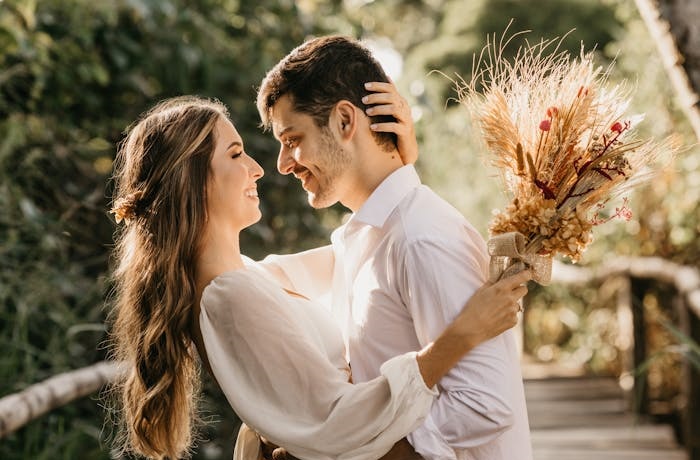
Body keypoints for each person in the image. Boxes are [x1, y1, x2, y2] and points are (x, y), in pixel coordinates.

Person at [107, 95, 531, 460]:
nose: (258, 168)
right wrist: (460, 338)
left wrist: (394, 166)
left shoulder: (249, 278)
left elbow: (364, 247)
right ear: (191, 180)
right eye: (236, 154)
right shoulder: (228, 297)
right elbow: (335, 420)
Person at [255, 35, 533, 460]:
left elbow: (485, 405)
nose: (283, 163)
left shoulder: (423, 238)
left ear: (345, 122)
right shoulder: (362, 236)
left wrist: (346, 454)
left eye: (292, 139)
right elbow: (257, 279)